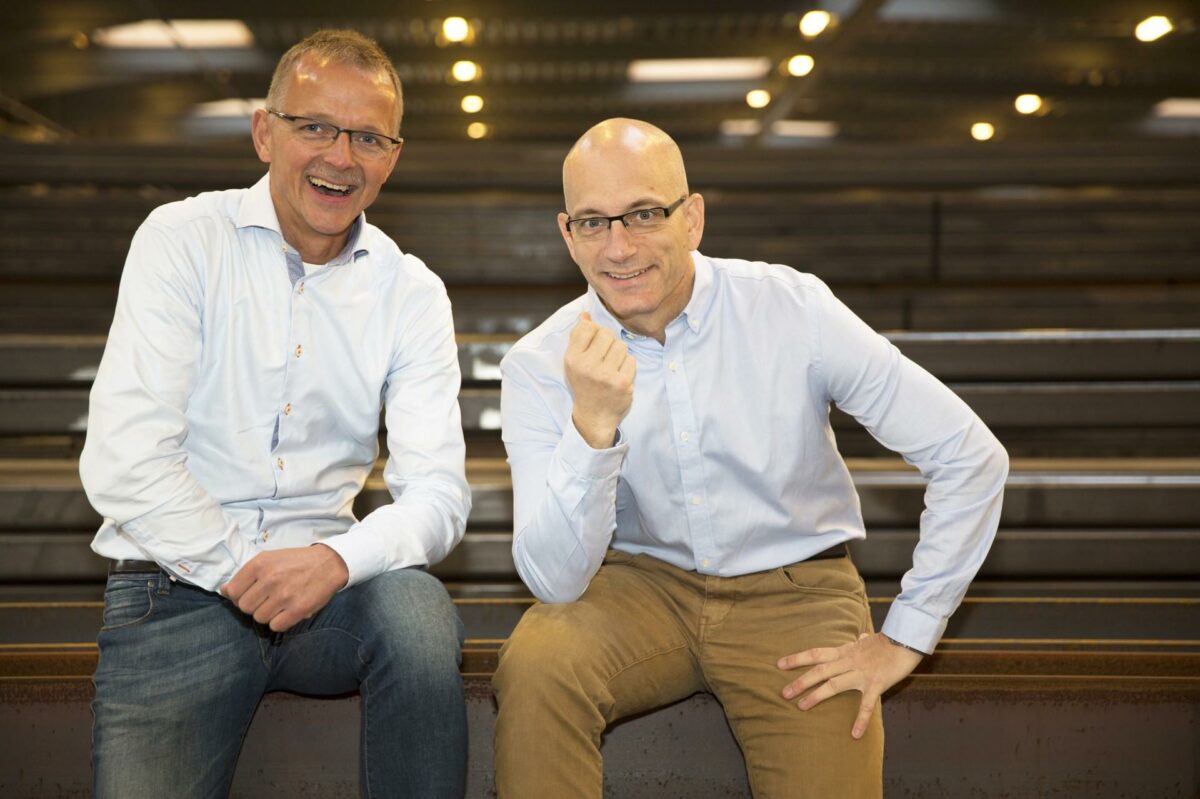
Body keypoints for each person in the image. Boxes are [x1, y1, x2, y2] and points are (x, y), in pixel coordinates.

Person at [492, 118, 1009, 797]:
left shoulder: (790, 309)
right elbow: (554, 582)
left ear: (693, 218)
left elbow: (969, 455)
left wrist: (907, 635)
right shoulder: (541, 362)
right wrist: (591, 427)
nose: (618, 246)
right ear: (567, 235)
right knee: (537, 663)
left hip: (795, 593)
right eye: (593, 222)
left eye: (644, 214)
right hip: (643, 585)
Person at [80, 30, 471, 798]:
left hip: (330, 594)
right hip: (175, 588)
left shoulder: (411, 290)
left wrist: (333, 562)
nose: (340, 156)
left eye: (367, 137)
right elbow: (126, 460)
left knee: (419, 613)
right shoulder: (182, 242)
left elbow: (439, 497)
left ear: (392, 156)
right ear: (265, 131)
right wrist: (245, 572)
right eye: (315, 127)